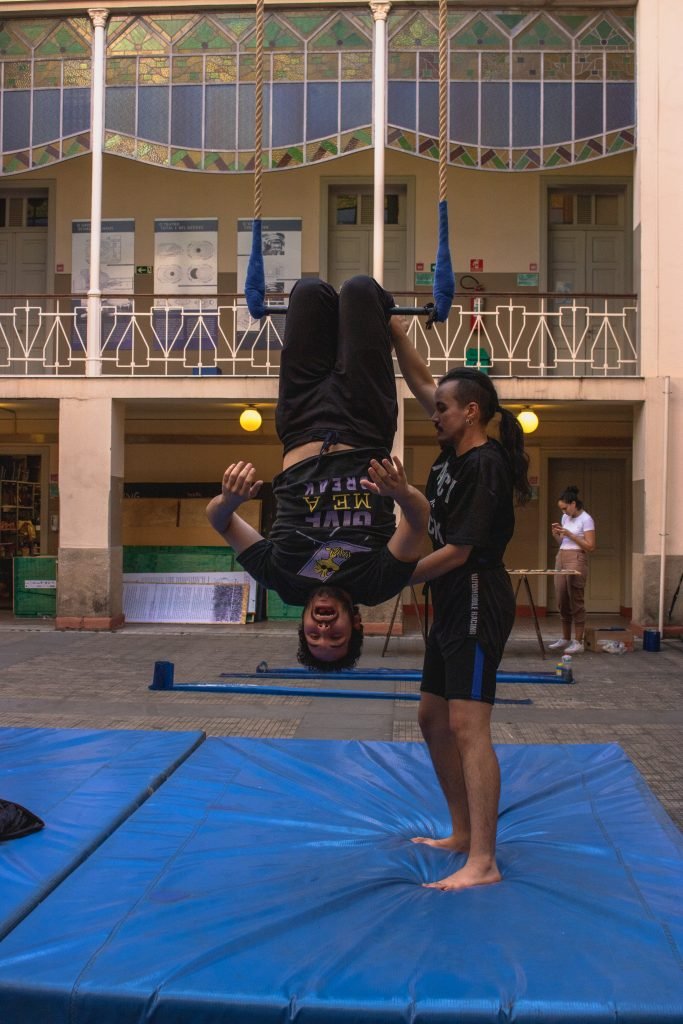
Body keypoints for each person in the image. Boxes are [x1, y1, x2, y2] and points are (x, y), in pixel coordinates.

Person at [206, 276, 429, 670]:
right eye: (336, 636)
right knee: (360, 290)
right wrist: (401, 494)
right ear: (356, 623)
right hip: (364, 421)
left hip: (301, 422)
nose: (324, 628)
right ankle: (384, 324)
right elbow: (418, 520)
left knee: (308, 291)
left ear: (303, 625)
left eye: (314, 635)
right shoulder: (378, 583)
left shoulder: (283, 579)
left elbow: (218, 519)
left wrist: (230, 501)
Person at [391, 318, 531, 891]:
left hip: (473, 591)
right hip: (449, 598)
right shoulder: (451, 453)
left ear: (470, 412)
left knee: (468, 725)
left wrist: (395, 578)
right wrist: (398, 334)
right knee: (431, 718)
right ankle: (462, 831)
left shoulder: (485, 464)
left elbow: (460, 551)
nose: (435, 413)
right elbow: (425, 383)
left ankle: (485, 860)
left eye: (445, 408)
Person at [549, 485, 596, 654]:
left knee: (575, 597)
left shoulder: (586, 519)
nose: (563, 511)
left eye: (565, 508)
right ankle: (565, 637)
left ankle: (578, 640)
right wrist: (557, 533)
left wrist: (571, 535)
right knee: (562, 597)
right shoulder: (564, 518)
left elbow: (590, 546)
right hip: (561, 556)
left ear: (573, 504)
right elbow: (563, 542)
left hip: (577, 557)